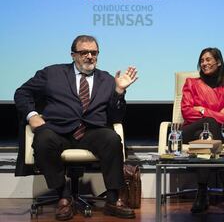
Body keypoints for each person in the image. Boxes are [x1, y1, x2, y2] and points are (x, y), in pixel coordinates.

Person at [14, 35, 137, 220]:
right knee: (44, 139)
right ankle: (63, 196)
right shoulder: (52, 73)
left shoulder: (107, 79)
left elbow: (115, 117)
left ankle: (113, 199)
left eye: (93, 52)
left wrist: (119, 92)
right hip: (58, 130)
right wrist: (32, 115)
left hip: (91, 131)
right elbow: (22, 93)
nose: (89, 56)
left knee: (111, 138)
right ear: (73, 55)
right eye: (84, 52)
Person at [181, 47, 224, 213]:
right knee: (210, 124)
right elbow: (187, 112)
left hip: (209, 137)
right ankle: (222, 171)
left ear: (218, 62)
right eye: (202, 60)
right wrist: (214, 114)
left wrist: (203, 111)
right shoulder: (191, 83)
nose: (204, 63)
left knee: (205, 135)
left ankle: (202, 192)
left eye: (208, 60)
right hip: (189, 132)